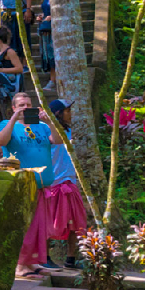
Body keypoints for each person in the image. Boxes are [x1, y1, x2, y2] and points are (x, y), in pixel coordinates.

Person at [19, 100, 91, 277]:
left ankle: (71, 258)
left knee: (76, 221)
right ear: (58, 113)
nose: (70, 113)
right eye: (67, 111)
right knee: (49, 221)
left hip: (69, 181)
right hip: (53, 182)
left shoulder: (67, 131)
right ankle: (45, 257)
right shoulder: (44, 129)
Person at [0, 91, 55, 174]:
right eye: (21, 105)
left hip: (44, 183)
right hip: (19, 181)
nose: (25, 108)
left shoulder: (43, 125)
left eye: (28, 105)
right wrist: (14, 119)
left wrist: (50, 122)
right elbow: (0, 142)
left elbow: (58, 140)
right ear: (14, 108)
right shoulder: (6, 124)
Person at [0, 26, 25, 116]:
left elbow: (19, 68)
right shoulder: (1, 52)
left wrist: (1, 70)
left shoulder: (10, 52)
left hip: (11, 86)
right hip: (2, 88)